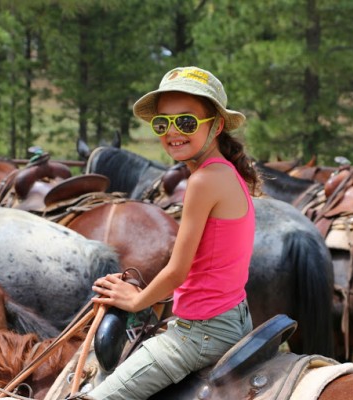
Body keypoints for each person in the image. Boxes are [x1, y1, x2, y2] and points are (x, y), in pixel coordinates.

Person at [88, 66, 261, 399]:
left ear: (216, 126)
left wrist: (136, 299)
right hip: (235, 319)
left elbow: (177, 270)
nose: (172, 132)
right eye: (162, 123)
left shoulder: (203, 181)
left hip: (200, 334)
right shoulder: (227, 173)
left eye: (186, 122)